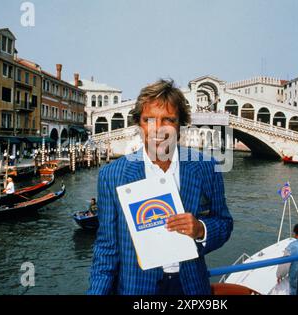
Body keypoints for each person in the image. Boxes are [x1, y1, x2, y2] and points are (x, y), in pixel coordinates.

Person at [88, 79, 233, 295]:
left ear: (180, 125)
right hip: (136, 289)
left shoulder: (206, 167)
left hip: (190, 287)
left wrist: (201, 229)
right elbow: (106, 249)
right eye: (149, 119)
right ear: (139, 124)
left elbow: (224, 223)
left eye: (168, 120)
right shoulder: (112, 175)